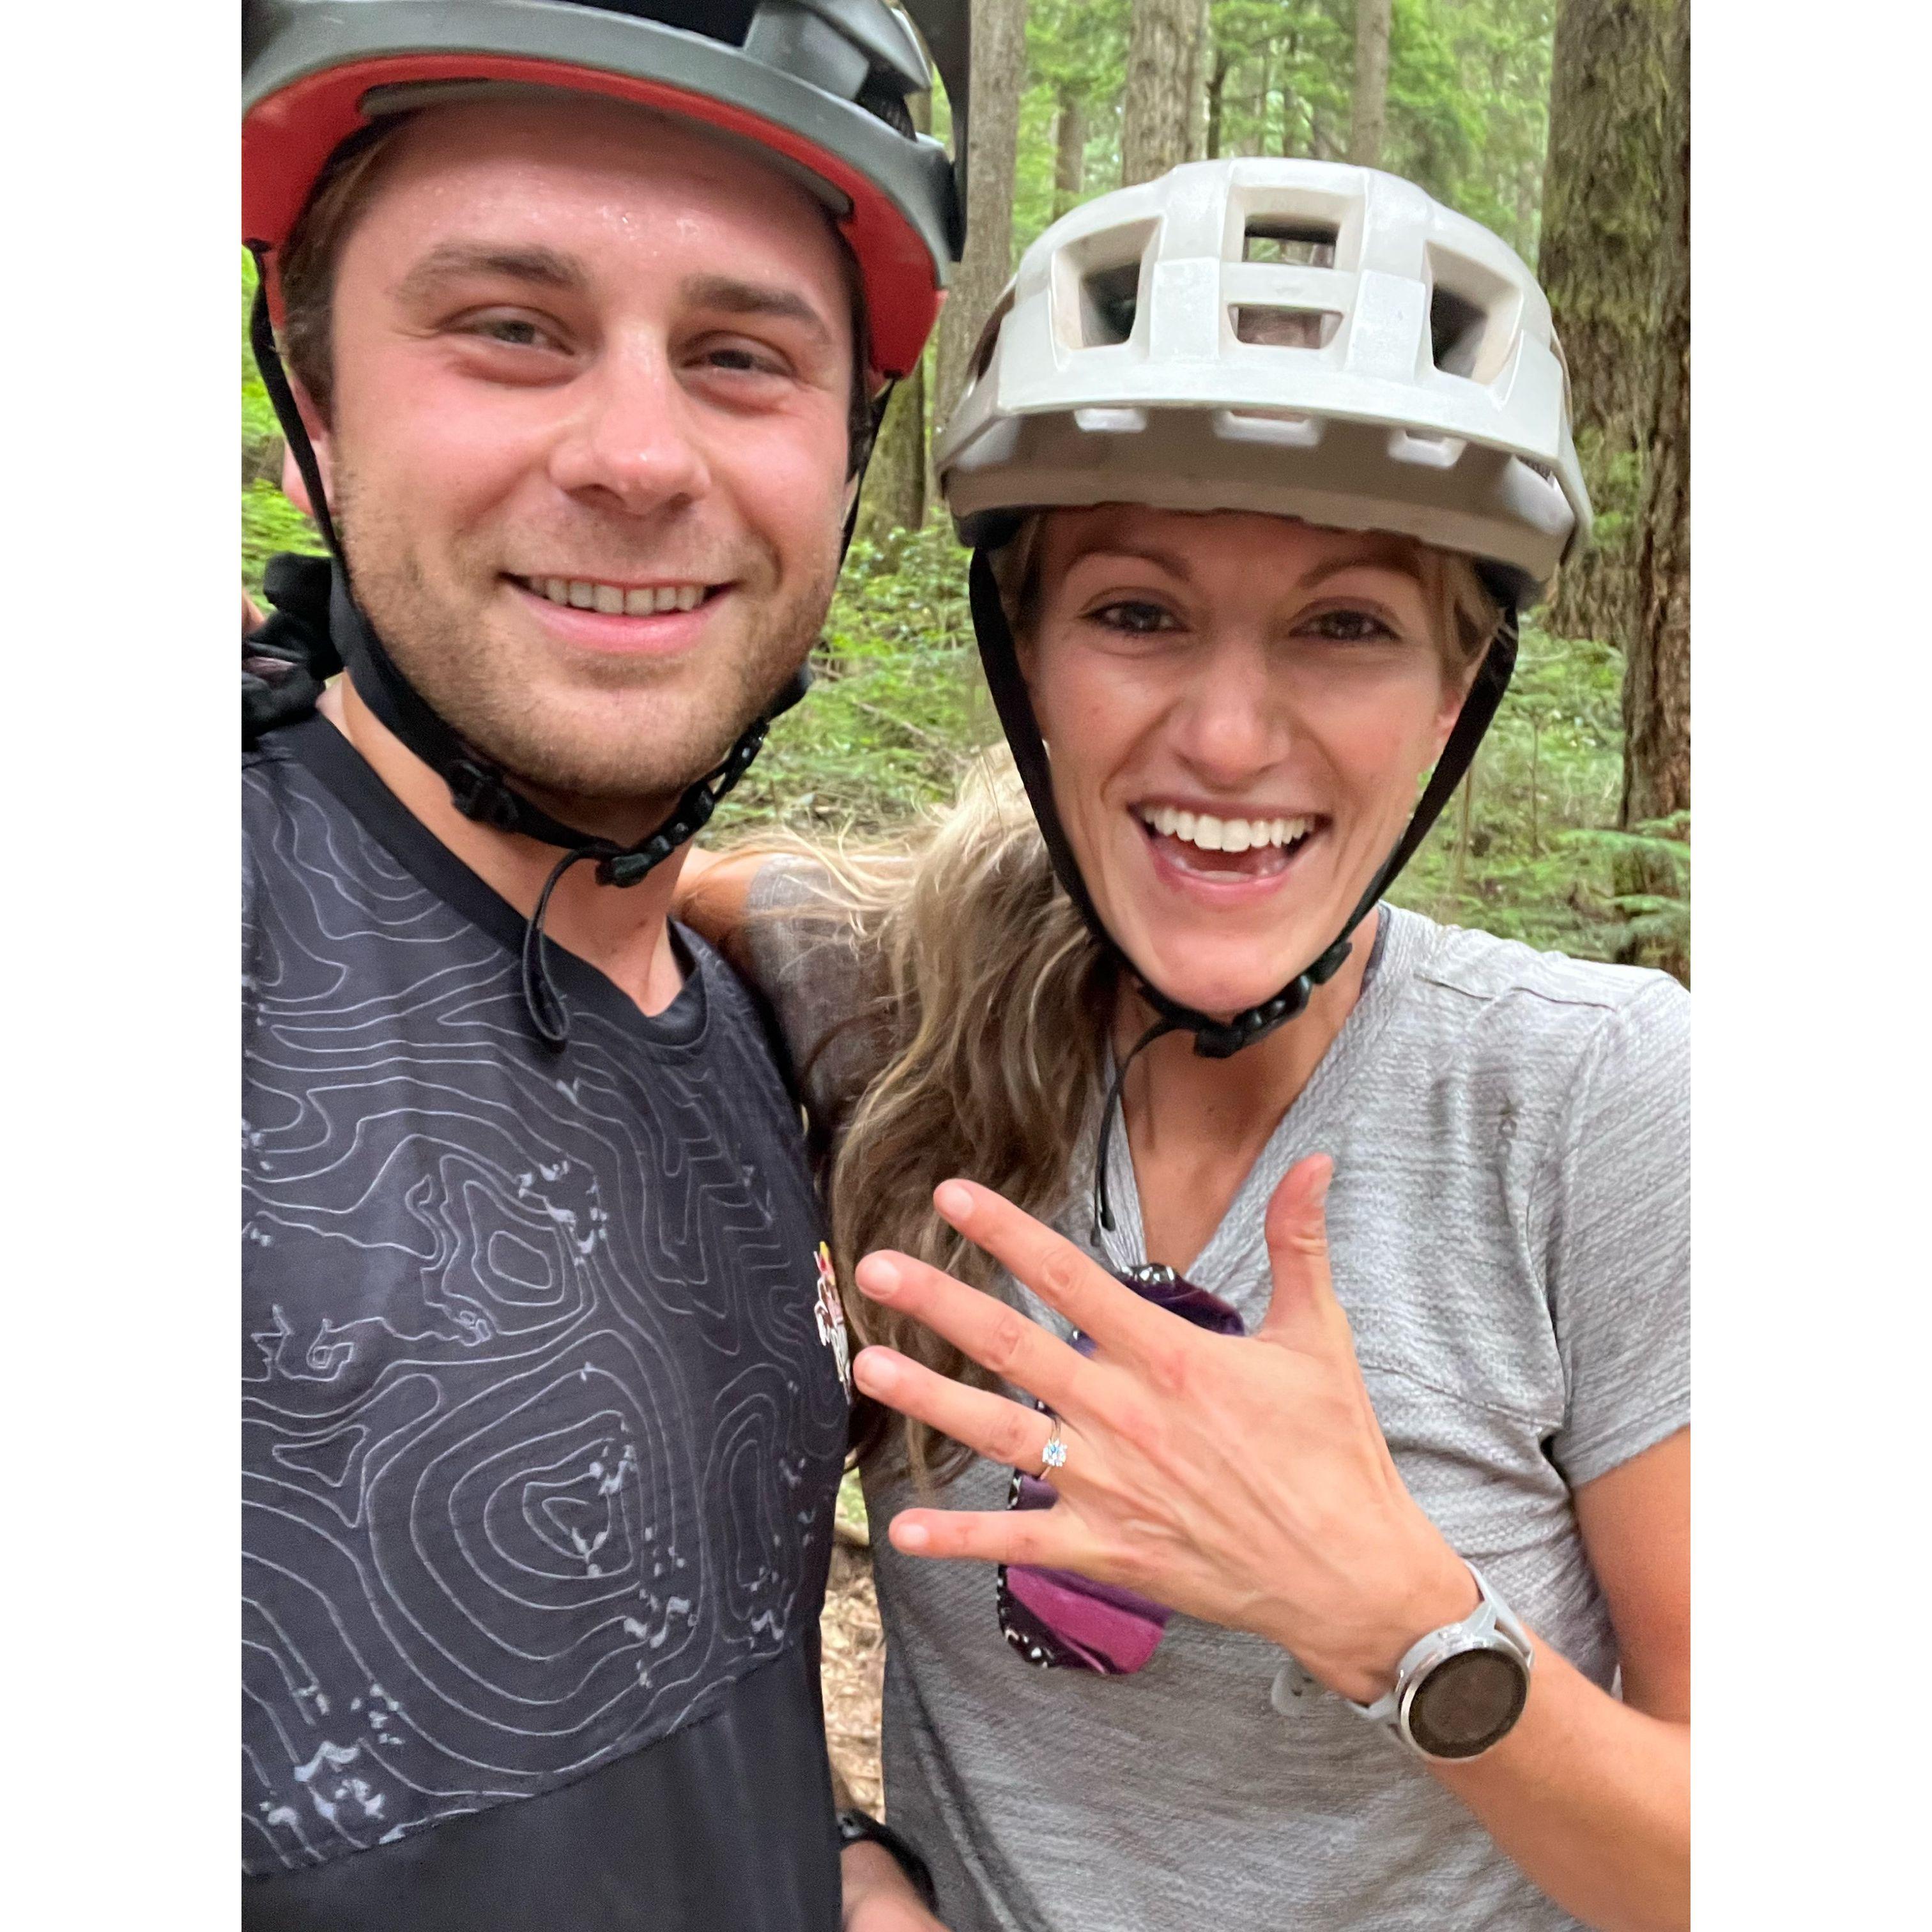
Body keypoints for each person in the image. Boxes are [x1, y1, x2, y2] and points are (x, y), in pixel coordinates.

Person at [679, 157, 1689, 1931]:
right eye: (1136, 614)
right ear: (1029, 657)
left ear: (1456, 698)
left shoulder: (1603, 1104)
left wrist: (1397, 1619)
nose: (1229, 736)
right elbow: (579, 871)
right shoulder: (896, 1001)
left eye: (1349, 629)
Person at [240, 3, 970, 1926]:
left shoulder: (744, 1032)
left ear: (841, 456)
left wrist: (837, 1867)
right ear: (314, 405)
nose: (640, 454)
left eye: (740, 358)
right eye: (510, 327)